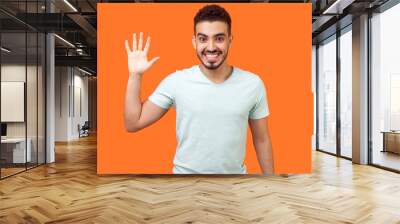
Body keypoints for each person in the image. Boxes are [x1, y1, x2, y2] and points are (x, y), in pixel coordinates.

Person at [124, 4, 274, 174]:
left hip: (234, 185)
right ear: (194, 41)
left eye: (219, 38)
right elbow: (133, 123)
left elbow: (261, 140)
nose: (211, 47)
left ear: (230, 40)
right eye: (203, 39)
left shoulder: (253, 83)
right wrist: (135, 75)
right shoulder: (176, 81)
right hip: (185, 185)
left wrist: (272, 182)